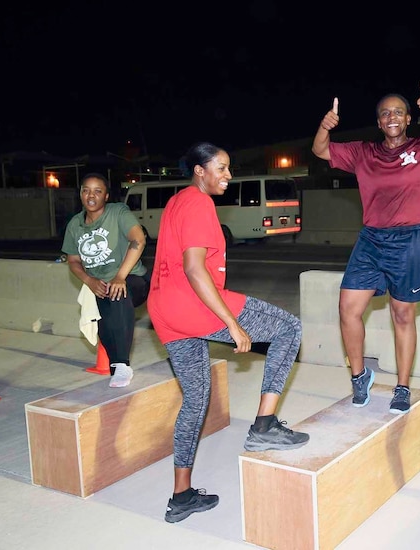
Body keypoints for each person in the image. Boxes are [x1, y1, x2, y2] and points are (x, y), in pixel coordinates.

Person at [147, 142, 308, 524]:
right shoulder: (200, 203)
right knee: (289, 328)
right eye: (221, 168)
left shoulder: (177, 201)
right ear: (200, 171)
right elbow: (194, 268)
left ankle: (181, 496)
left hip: (163, 310)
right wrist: (232, 324)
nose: (228, 176)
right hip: (195, 304)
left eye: (229, 168)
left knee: (196, 398)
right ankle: (265, 426)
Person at [311, 80, 420, 414]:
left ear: (407, 120)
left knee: (402, 314)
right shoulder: (363, 153)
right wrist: (324, 127)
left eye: (398, 112)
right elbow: (320, 150)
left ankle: (402, 387)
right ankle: (359, 378)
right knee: (348, 307)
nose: (391, 117)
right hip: (371, 239)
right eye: (385, 113)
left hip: (409, 240)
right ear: (378, 122)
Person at [61, 173, 149, 388]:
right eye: (86, 190)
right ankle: (116, 363)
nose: (91, 195)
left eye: (97, 191)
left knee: (119, 294)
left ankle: (122, 363)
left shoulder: (117, 212)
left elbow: (138, 239)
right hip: (99, 284)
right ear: (80, 194)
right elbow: (73, 260)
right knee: (103, 323)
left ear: (106, 196)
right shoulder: (75, 225)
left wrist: (120, 276)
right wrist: (89, 280)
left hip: (133, 279)